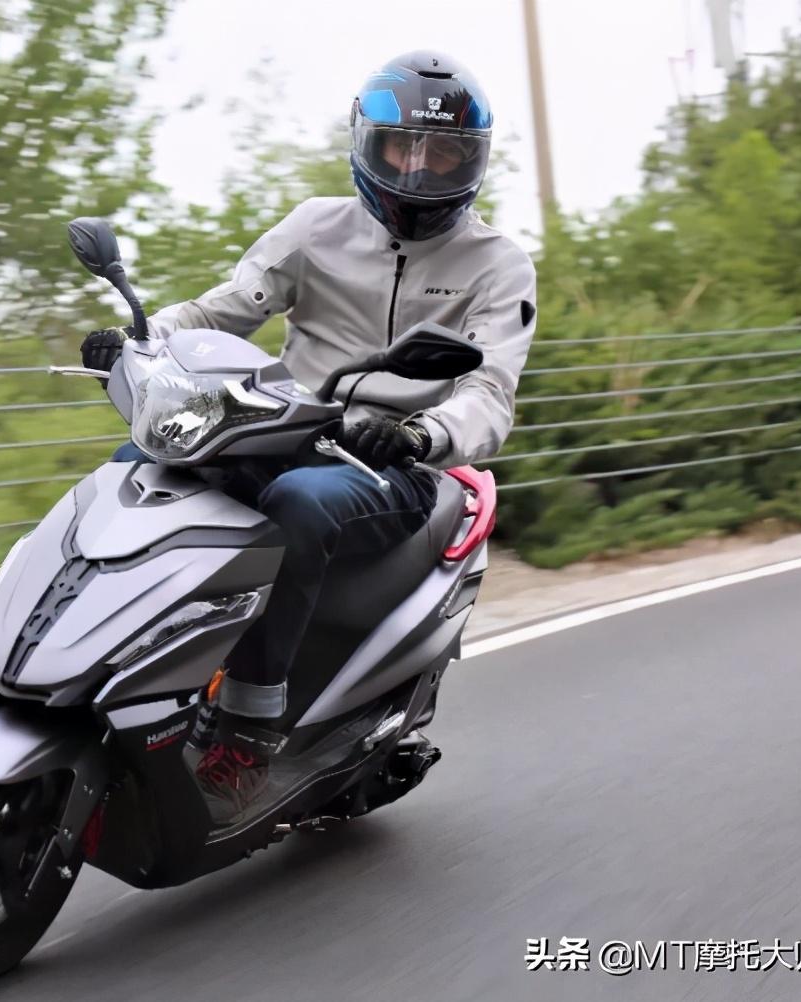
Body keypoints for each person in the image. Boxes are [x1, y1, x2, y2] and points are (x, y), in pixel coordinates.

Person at [80, 50, 537, 824]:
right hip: (282, 423)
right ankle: (88, 653)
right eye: (403, 147)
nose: (419, 170)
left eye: (443, 153)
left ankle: (247, 736)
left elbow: (490, 394)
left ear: (473, 161)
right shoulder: (315, 228)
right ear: (367, 143)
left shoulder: (498, 266)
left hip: (394, 463)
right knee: (140, 468)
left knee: (300, 501)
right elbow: (219, 311)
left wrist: (422, 434)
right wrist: (137, 342)